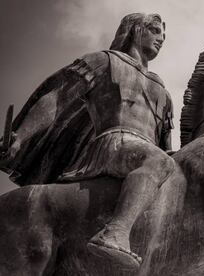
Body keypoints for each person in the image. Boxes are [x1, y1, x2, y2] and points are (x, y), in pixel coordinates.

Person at [1, 13, 175, 269]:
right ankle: (114, 233)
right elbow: (58, 99)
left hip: (147, 156)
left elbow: (167, 146)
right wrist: (21, 137)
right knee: (160, 161)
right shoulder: (104, 61)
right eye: (156, 31)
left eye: (163, 35)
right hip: (114, 142)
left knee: (169, 165)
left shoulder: (163, 90)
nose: (161, 39)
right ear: (137, 30)